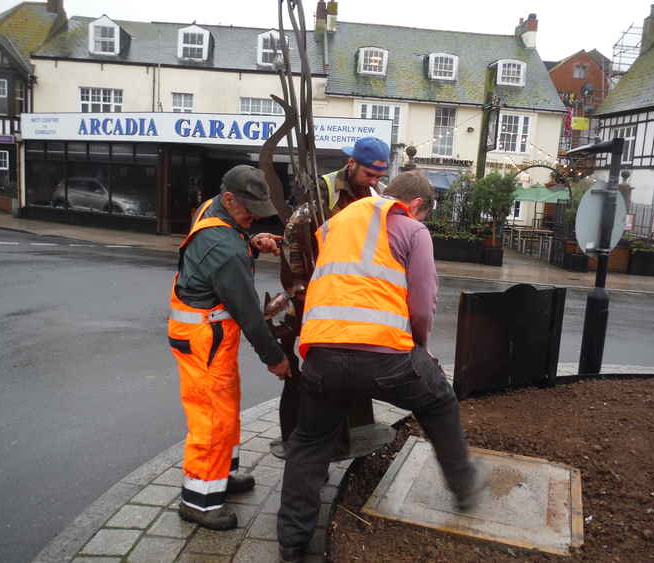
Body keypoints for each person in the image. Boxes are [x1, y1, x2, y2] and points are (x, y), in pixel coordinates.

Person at [276, 172, 485, 562]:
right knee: (439, 402)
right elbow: (422, 304)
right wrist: (419, 350)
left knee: (309, 443)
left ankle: (292, 543)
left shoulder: (335, 224)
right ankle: (464, 486)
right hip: (386, 357)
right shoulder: (412, 229)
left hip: (322, 353)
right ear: (417, 205)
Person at [168, 164, 290, 531]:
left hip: (209, 337)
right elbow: (251, 317)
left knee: (226, 407)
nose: (253, 217)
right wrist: (276, 360)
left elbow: (226, 245)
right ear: (228, 198)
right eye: (248, 210)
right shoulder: (225, 249)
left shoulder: (212, 211)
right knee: (210, 418)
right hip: (205, 340)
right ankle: (200, 500)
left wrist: (251, 242)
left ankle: (223, 474)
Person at [275, 136, 392, 444]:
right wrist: (299, 290)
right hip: (319, 294)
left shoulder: (377, 194)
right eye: (369, 175)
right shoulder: (324, 191)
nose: (374, 182)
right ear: (351, 163)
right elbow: (293, 237)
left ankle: (342, 437)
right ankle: (309, 442)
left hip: (355, 296)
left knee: (349, 371)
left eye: (379, 177)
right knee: (317, 376)